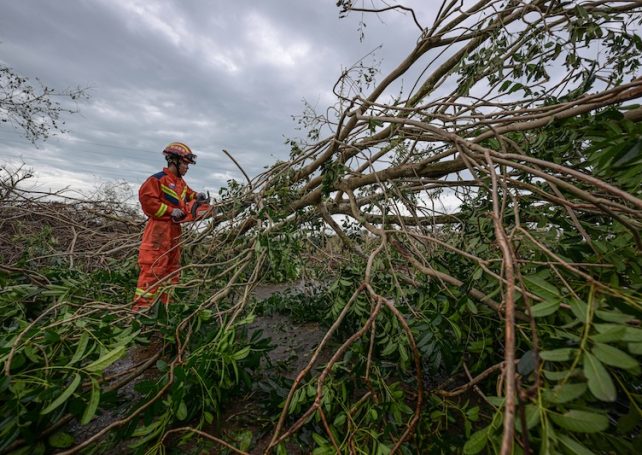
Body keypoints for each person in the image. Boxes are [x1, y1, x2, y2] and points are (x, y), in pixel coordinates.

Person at [132, 142, 208, 312]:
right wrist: (169, 210)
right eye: (185, 164)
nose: (187, 168)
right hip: (158, 231)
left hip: (174, 232)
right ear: (173, 161)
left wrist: (198, 196)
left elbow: (189, 194)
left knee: (172, 270)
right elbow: (148, 202)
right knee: (153, 270)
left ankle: (165, 310)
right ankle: (141, 311)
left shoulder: (180, 182)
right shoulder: (157, 180)